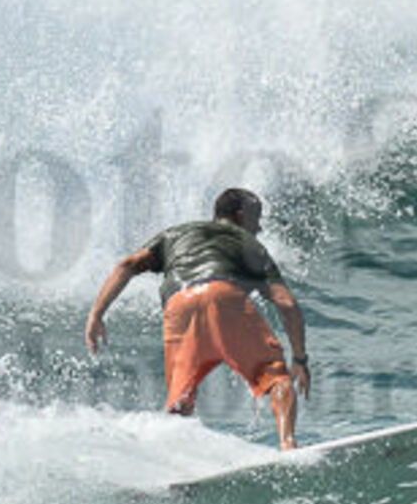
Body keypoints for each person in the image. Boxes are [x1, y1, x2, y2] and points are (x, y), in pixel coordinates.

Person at [84, 187, 310, 449]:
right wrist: (300, 359)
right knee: (277, 377)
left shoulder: (176, 234)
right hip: (223, 297)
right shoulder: (251, 246)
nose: (259, 228)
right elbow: (286, 302)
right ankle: (288, 443)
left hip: (179, 305)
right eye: (256, 218)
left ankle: (174, 461)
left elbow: (127, 265)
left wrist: (96, 315)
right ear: (241, 215)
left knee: (180, 402)